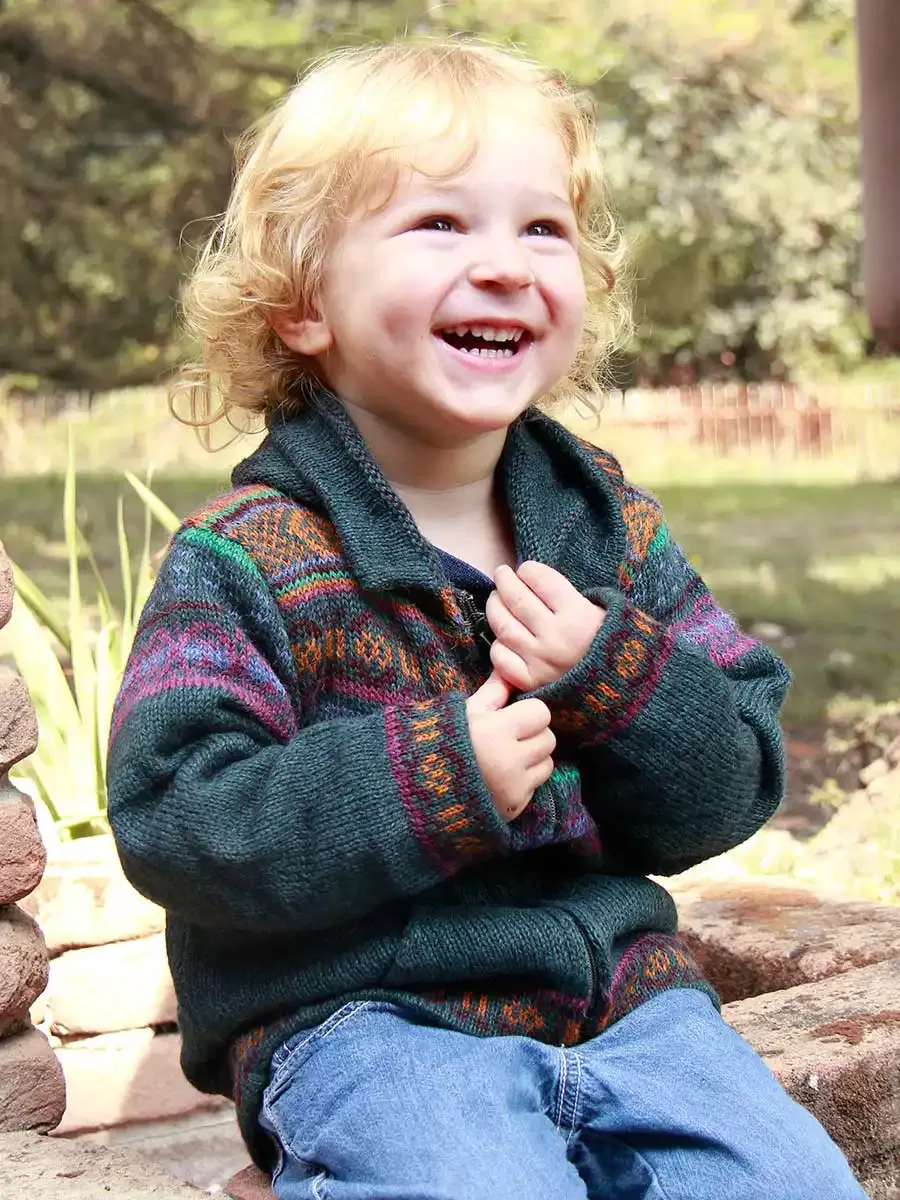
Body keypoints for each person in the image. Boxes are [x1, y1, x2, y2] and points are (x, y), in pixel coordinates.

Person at [106, 39, 866, 1200]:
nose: (505, 265)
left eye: (542, 228)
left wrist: (619, 678)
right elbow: (176, 818)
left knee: (791, 1184)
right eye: (440, 224)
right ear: (302, 304)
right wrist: (434, 773)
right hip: (365, 1021)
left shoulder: (611, 530)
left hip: (628, 1005)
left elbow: (736, 778)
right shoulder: (251, 558)